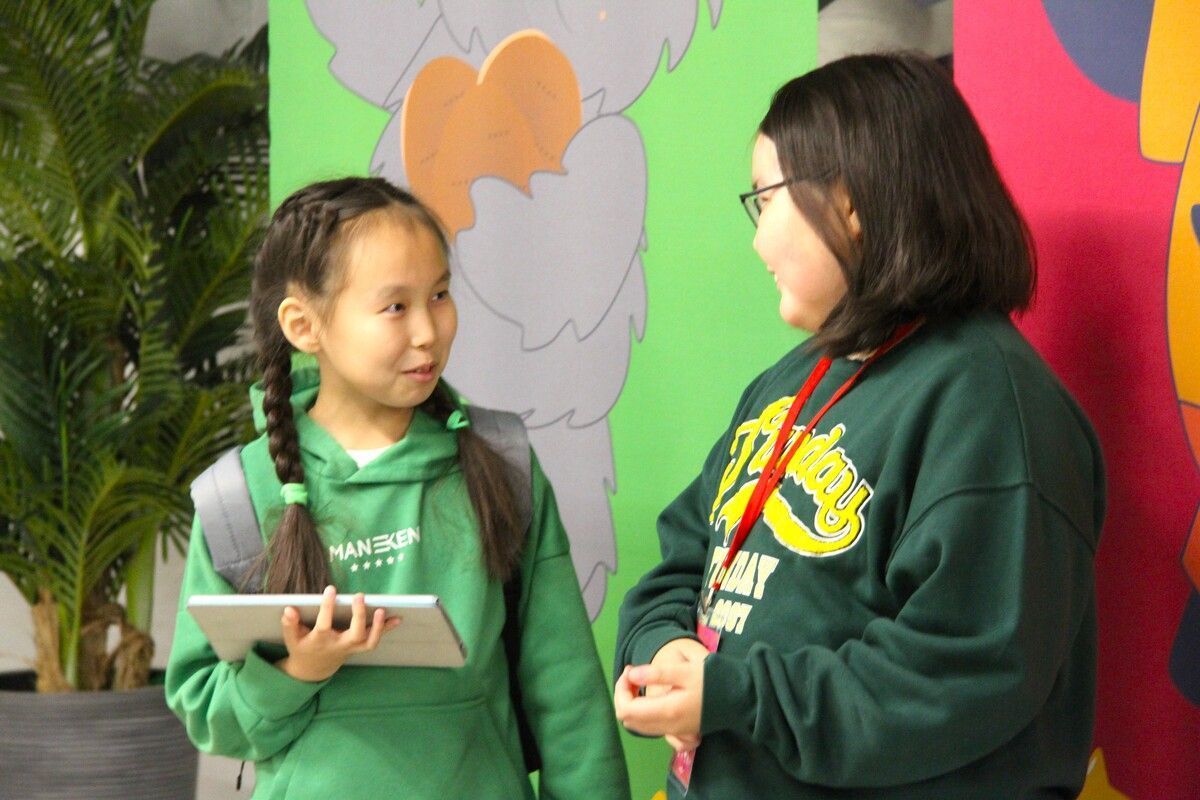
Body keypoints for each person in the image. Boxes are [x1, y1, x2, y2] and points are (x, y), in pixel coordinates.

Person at [613, 52, 1104, 799]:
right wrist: (664, 645)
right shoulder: (791, 380)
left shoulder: (993, 409)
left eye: (767, 199)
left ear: (850, 202)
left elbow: (961, 669)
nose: (758, 240)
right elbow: (688, 552)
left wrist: (738, 694)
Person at [165, 177, 630, 800]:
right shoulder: (237, 498)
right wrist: (298, 671)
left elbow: (569, 696)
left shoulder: (500, 464)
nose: (427, 331)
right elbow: (206, 710)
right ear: (304, 325)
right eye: (395, 307)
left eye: (439, 294)